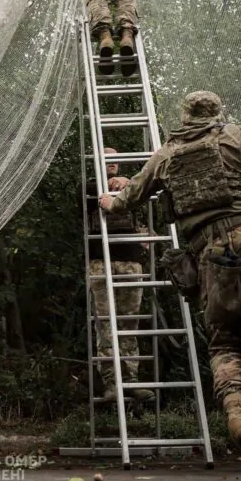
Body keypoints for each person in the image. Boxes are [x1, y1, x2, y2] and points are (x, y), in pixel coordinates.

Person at [98, 92, 241, 471]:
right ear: (217, 112)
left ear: (184, 115)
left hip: (207, 251)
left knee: (224, 337)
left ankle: (236, 415)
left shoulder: (167, 153)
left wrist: (108, 202)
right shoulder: (238, 135)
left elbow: (128, 198)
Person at [85, 148, 153, 404]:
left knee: (129, 323)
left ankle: (131, 381)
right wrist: (116, 187)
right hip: (101, 263)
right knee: (105, 323)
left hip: (130, 263)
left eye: (114, 159)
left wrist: (129, 183)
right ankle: (112, 383)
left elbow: (146, 197)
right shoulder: (89, 187)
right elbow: (92, 196)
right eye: (105, 158)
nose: (111, 163)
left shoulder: (133, 187)